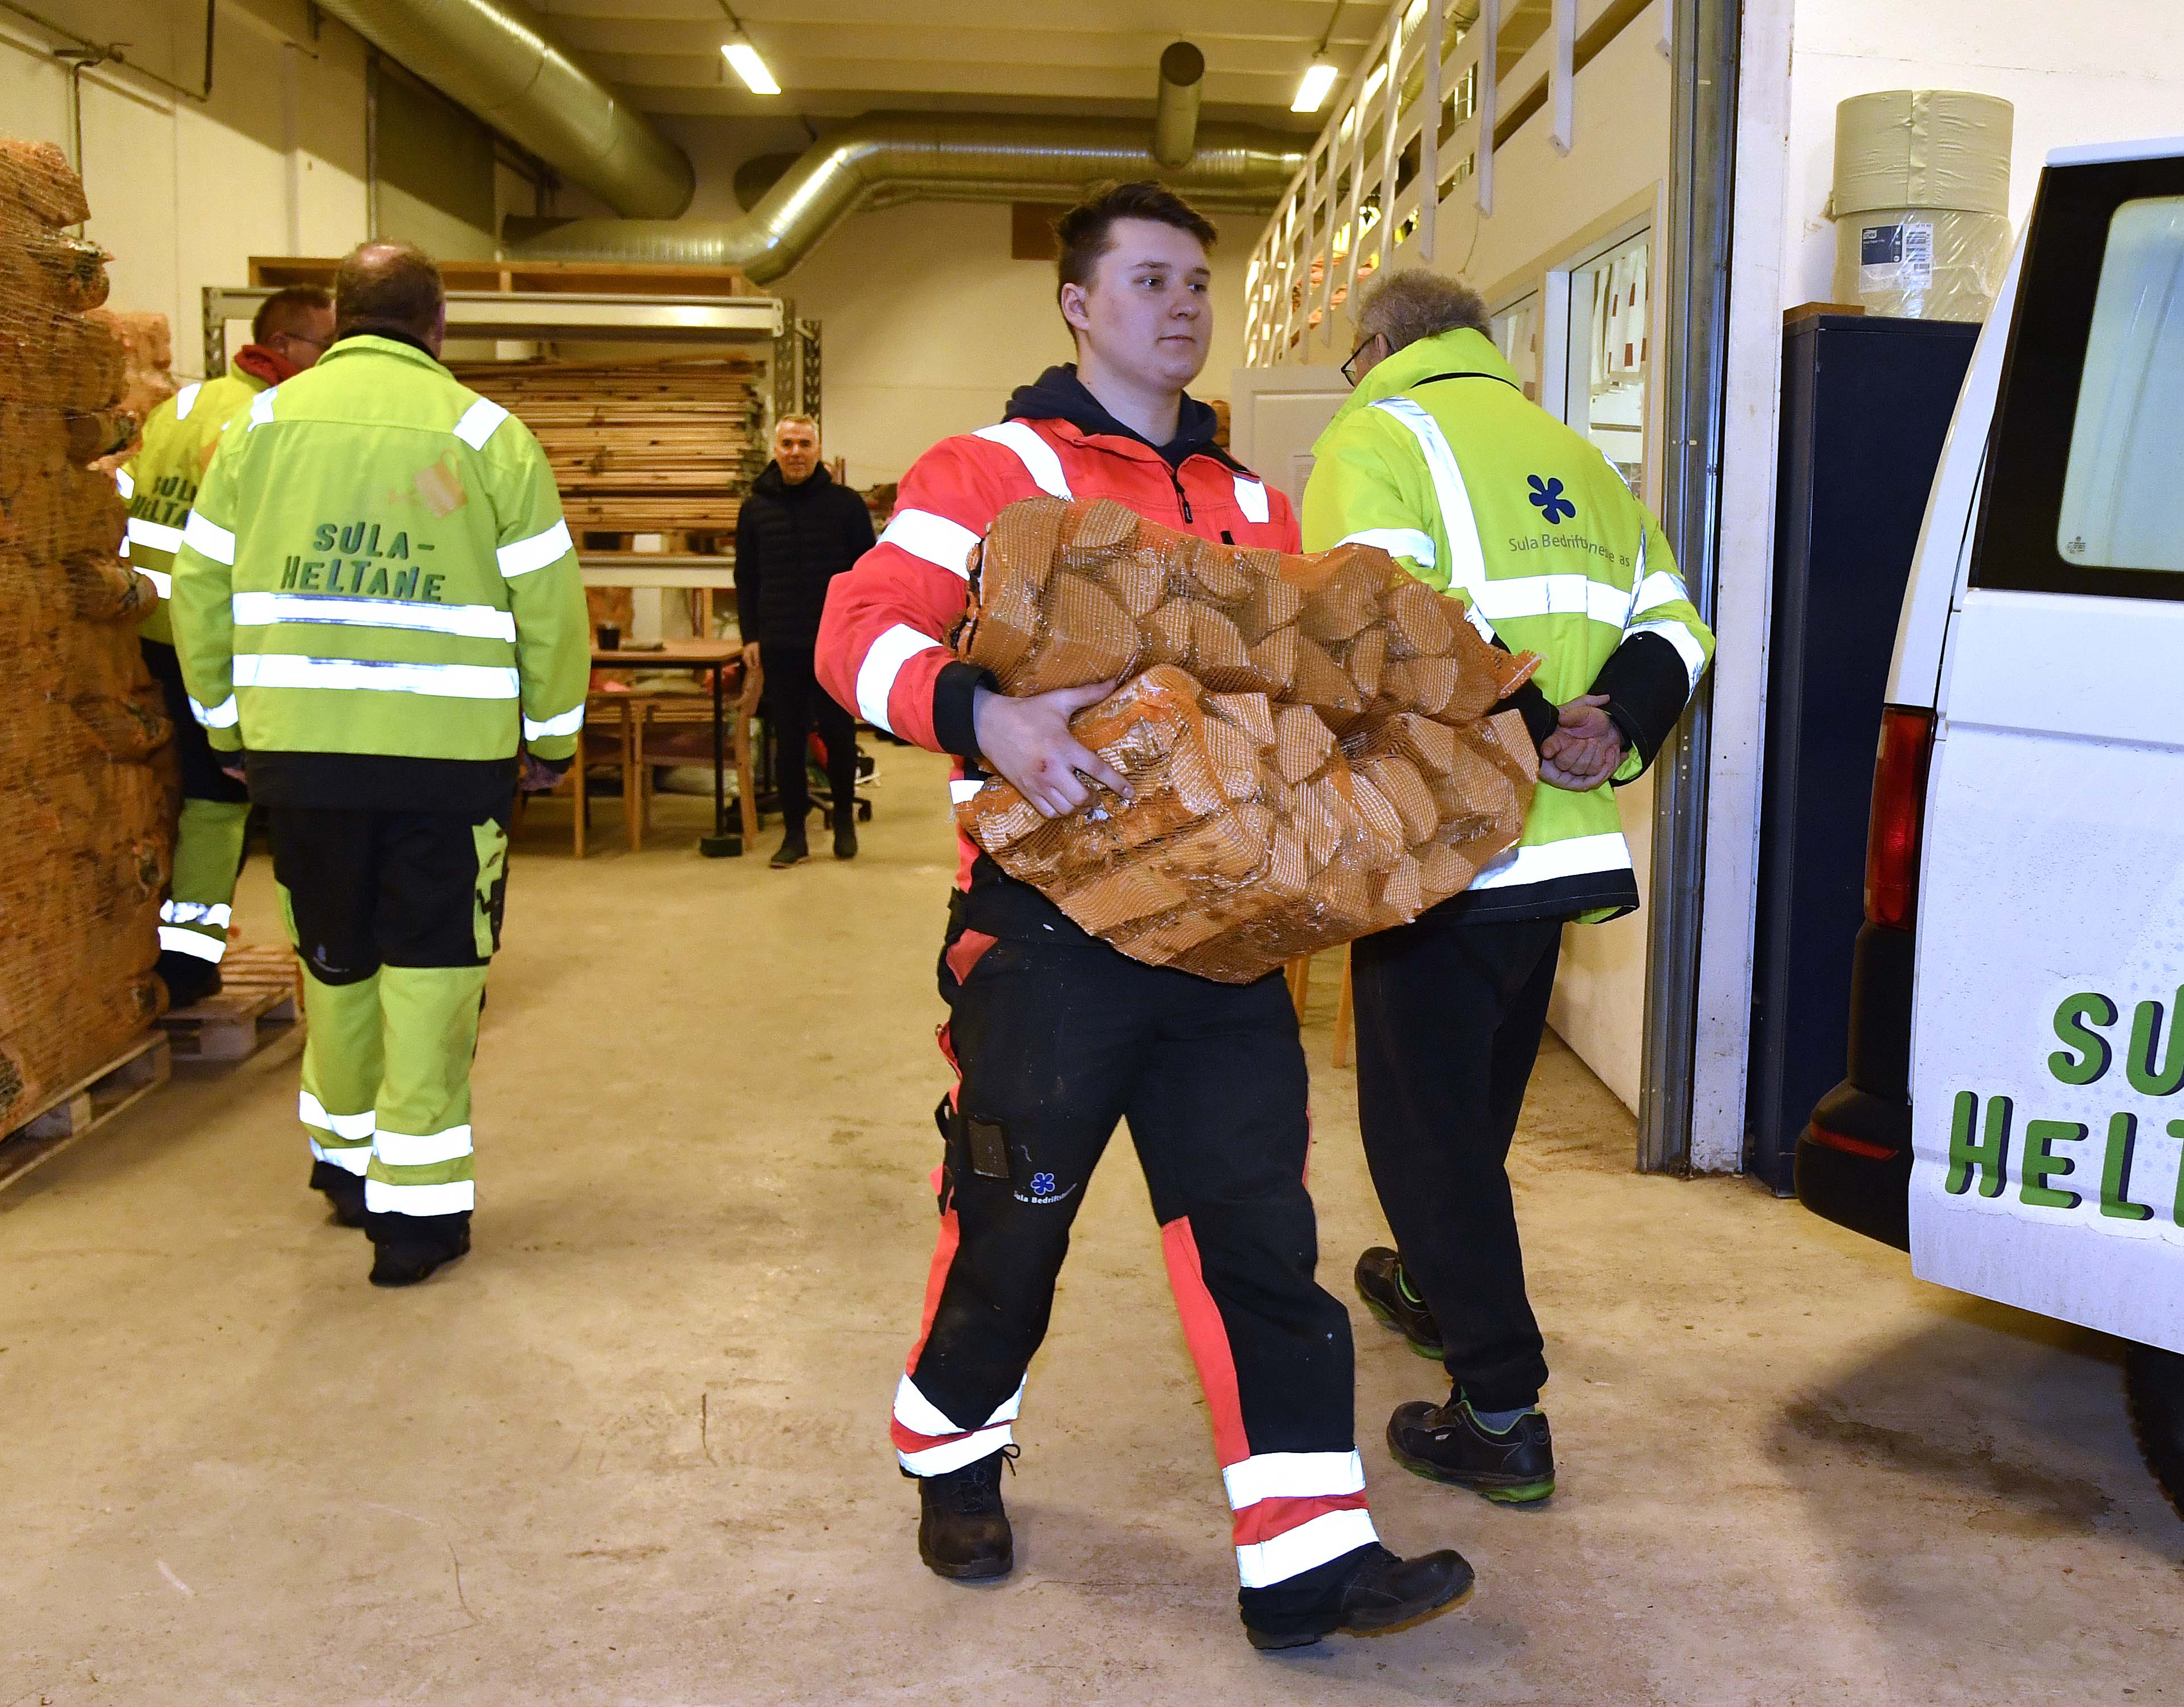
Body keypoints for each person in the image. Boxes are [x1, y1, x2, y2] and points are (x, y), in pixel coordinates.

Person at [816, 181, 1475, 1651]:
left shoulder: (1255, 503)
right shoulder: (992, 470)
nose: (1183, 304)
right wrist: (977, 712)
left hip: (1227, 933)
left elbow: (1307, 682)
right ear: (1078, 301)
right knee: (1013, 1224)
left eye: (1198, 282)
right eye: (1151, 279)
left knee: (1257, 1232)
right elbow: (853, 631)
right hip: (1046, 929)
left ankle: (1308, 1559)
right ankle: (951, 1447)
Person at [1301, 268, 1715, 1503]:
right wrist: (1607, 725)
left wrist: (1528, 724)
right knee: (1472, 1105)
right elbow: (1677, 621)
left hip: (1449, 841)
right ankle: (1432, 1284)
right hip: (1562, 844)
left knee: (1422, 1137)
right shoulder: (1576, 454)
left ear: (1378, 345)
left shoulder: (1378, 433)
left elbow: (1389, 613)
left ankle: (1499, 1407)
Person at [168, 241, 589, 1287]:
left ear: (343, 319)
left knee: (336, 958)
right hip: (448, 768)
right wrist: (553, 739)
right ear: (438, 328)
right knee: (435, 975)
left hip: (303, 761)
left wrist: (225, 728)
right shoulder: (488, 435)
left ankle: (343, 1167)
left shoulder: (259, 427)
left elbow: (198, 590)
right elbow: (551, 608)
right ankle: (415, 1218)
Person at [117, 284, 335, 1006]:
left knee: (166, 794)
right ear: (286, 345)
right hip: (207, 641)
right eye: (325, 348)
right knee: (218, 802)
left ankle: (154, 944)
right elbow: (261, 551)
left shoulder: (184, 405)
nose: (331, 363)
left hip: (140, 628)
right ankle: (188, 962)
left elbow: (123, 494)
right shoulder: (266, 422)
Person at [734, 414, 874, 866]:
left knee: (837, 735)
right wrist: (750, 635)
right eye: (788, 443)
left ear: (818, 449)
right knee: (789, 741)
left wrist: (863, 630)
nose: (796, 451)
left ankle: (845, 827)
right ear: (775, 450)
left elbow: (867, 575)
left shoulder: (846, 505)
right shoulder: (755, 508)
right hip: (780, 641)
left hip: (833, 642)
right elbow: (745, 576)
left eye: (805, 443)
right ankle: (794, 836)